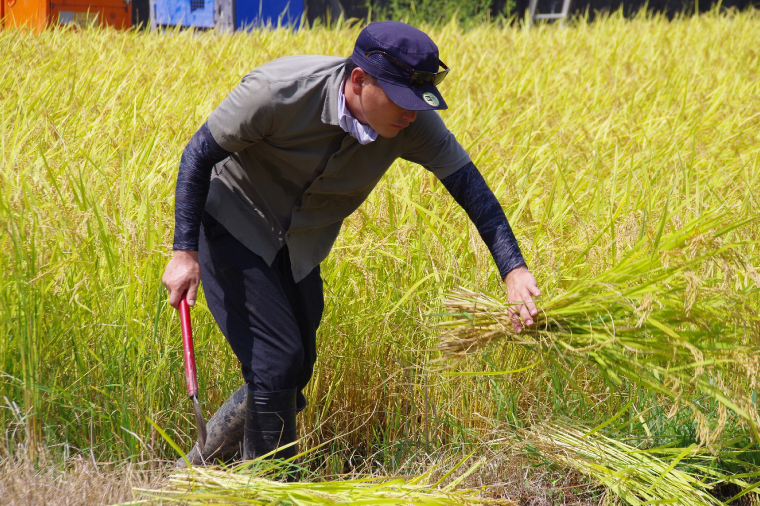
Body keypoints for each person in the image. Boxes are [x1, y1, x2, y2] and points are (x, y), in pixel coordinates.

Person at [161, 20, 541, 466]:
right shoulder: (278, 91)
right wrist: (183, 252)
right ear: (358, 80)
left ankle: (193, 473)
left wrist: (514, 270)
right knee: (276, 362)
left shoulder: (412, 124)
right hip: (232, 221)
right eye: (401, 99)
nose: (411, 114)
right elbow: (199, 154)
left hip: (301, 245)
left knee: (293, 371)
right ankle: (271, 491)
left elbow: (472, 190)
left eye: (418, 103)